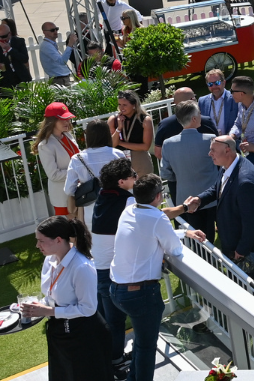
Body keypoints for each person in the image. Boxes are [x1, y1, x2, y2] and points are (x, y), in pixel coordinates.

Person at [112, 174, 203, 381]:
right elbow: (174, 249)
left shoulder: (128, 211)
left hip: (117, 291)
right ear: (158, 196)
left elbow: (153, 231)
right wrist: (180, 235)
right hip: (139, 295)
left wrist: (184, 233)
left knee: (141, 343)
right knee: (145, 347)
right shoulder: (157, 218)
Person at [186, 135, 254, 306]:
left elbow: (251, 221)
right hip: (243, 239)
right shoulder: (230, 165)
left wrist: (241, 249)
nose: (209, 153)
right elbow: (218, 188)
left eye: (213, 150)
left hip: (248, 242)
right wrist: (200, 199)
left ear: (227, 150)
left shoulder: (245, 181)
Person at [18, 215, 112, 381]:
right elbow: (51, 295)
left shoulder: (82, 267)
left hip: (85, 336)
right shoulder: (49, 261)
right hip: (60, 332)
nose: (37, 245)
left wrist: (49, 310)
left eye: (41, 241)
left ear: (58, 240)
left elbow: (88, 308)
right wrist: (38, 306)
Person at [91, 159, 139, 376]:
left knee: (103, 321)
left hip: (98, 269)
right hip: (112, 272)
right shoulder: (128, 200)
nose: (136, 177)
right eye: (133, 175)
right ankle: (117, 363)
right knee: (115, 322)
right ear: (122, 182)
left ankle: (105, 359)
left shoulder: (101, 196)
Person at [160, 101, 222, 242]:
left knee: (196, 240)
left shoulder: (168, 143)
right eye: (199, 113)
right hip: (212, 198)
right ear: (194, 119)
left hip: (186, 199)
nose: (201, 116)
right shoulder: (210, 139)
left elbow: (165, 174)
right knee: (210, 237)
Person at [35, 102, 81, 217]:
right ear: (52, 121)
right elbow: (53, 175)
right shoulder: (45, 145)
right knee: (72, 231)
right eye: (63, 119)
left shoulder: (68, 135)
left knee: (82, 227)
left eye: (68, 119)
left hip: (79, 190)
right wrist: (77, 173)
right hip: (63, 196)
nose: (67, 122)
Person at [152, 88, 218, 162]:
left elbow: (158, 153)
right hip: (205, 169)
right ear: (192, 100)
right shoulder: (205, 121)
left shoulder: (164, 125)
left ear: (175, 102)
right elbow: (217, 146)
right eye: (194, 98)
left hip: (178, 172)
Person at [110, 91, 155, 177]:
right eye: (119, 104)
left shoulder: (145, 120)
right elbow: (112, 144)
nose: (121, 108)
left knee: (144, 188)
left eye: (125, 105)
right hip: (120, 162)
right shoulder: (113, 120)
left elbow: (145, 147)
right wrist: (119, 128)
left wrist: (120, 143)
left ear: (134, 105)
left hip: (140, 160)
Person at [0, 18, 31, 89]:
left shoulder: (19, 42)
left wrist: (9, 49)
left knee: (23, 98)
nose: (1, 39)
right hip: (2, 80)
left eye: (3, 36)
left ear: (9, 34)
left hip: (19, 78)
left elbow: (24, 59)